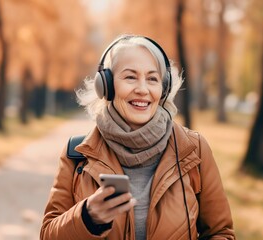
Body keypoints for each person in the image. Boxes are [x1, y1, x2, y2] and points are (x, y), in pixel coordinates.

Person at [40, 34, 235, 240]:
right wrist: (87, 217)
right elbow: (48, 234)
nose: (142, 89)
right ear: (106, 85)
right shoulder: (78, 153)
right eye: (130, 77)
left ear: (164, 88)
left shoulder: (194, 148)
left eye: (152, 79)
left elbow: (221, 233)